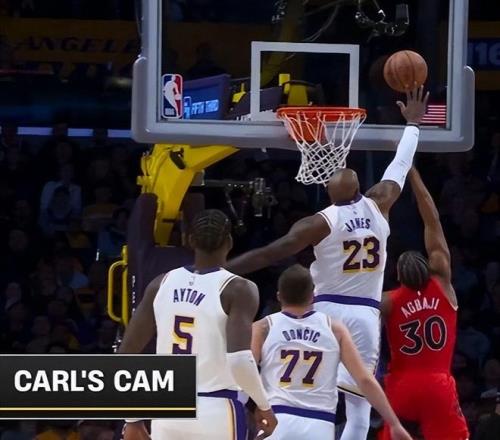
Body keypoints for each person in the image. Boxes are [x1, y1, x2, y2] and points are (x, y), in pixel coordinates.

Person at [226, 86, 429, 440]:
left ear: (328, 196)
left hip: (324, 312)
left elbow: (272, 252)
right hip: (364, 315)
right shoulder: (379, 202)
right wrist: (412, 124)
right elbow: (399, 164)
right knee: (359, 408)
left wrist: (226, 270)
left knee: (298, 390)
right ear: (360, 189)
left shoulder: (320, 222)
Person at [118, 209, 277, 440]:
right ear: (229, 242)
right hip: (216, 409)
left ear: (190, 241)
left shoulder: (160, 283)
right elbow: (240, 360)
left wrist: (131, 419)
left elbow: (125, 354)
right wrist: (263, 405)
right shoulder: (238, 288)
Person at [252, 264, 412, 440]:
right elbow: (364, 380)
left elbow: (245, 372)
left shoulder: (262, 327)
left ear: (279, 296)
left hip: (276, 420)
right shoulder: (334, 329)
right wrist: (394, 423)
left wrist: (255, 407)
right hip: (319, 425)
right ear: (312, 296)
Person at [379, 167, 469, 440]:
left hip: (401, 386)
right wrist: (413, 173)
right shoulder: (442, 284)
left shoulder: (388, 301)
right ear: (428, 267)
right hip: (438, 383)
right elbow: (432, 221)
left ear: (397, 275)